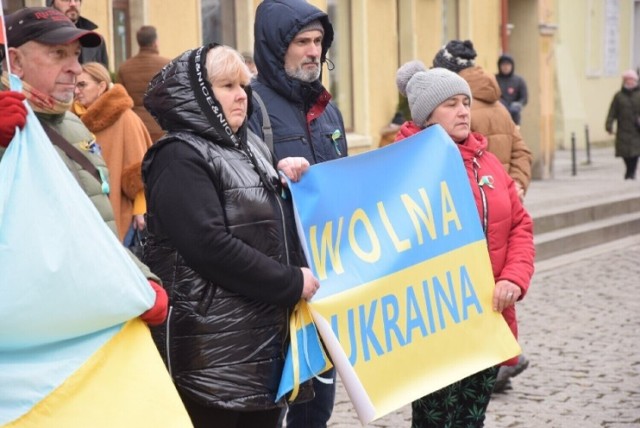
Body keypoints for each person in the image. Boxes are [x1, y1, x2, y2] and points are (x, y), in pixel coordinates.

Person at [141, 43, 320, 428]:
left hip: (260, 345)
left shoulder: (248, 146)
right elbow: (209, 246)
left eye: (244, 85)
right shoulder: (179, 155)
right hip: (211, 354)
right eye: (227, 86)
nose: (241, 95)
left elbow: (262, 221)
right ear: (199, 94)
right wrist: (290, 282)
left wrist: (286, 178)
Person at [0, 7, 165, 324]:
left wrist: (142, 279)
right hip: (26, 329)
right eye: (58, 54)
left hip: (81, 313)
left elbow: (98, 228)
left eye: (76, 55)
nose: (75, 68)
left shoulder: (74, 124)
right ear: (16, 61)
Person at [394, 64, 535, 427]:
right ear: (426, 116)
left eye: (465, 103)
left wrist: (513, 279)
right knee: (435, 420)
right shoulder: (401, 164)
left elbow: (520, 224)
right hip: (433, 324)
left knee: (472, 418)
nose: (462, 111)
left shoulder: (486, 162)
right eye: (450, 104)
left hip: (486, 317)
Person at [248, 2, 348, 426]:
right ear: (276, 48)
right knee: (274, 408)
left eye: (318, 41)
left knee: (316, 410)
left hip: (326, 283)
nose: (313, 51)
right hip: (277, 285)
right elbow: (238, 183)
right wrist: (276, 172)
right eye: (302, 42)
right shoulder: (250, 106)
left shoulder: (329, 110)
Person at [433, 40, 532, 199]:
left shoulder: (452, 111)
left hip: (476, 207)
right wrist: (516, 184)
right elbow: (522, 152)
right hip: (505, 204)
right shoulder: (500, 107)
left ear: (446, 72)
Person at [71, 62, 153, 243]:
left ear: (101, 86)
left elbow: (138, 170)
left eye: (82, 84)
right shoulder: (69, 120)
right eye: (74, 84)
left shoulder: (125, 119)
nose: (76, 91)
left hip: (118, 211)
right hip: (80, 213)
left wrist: (140, 209)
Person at [116, 25, 171, 142]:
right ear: (155, 42)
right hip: (162, 126)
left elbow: (120, 99)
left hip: (135, 127)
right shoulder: (168, 65)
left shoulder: (125, 68)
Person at [47, 0, 109, 67]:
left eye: (76, 0)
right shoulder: (42, 37)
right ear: (51, 3)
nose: (73, 4)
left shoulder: (95, 41)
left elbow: (102, 76)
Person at [605, 69, 640, 180]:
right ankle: (629, 171)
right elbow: (612, 112)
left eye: (632, 80)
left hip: (637, 130)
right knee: (625, 154)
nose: (630, 82)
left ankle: (631, 172)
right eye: (628, 80)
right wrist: (609, 125)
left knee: (635, 153)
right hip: (623, 130)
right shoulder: (618, 97)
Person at [496, 54, 528, 126]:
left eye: (508, 65)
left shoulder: (519, 81)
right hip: (498, 116)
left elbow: (524, 98)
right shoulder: (494, 79)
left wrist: (518, 104)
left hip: (514, 117)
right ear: (499, 66)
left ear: (512, 66)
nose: (506, 67)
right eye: (503, 65)